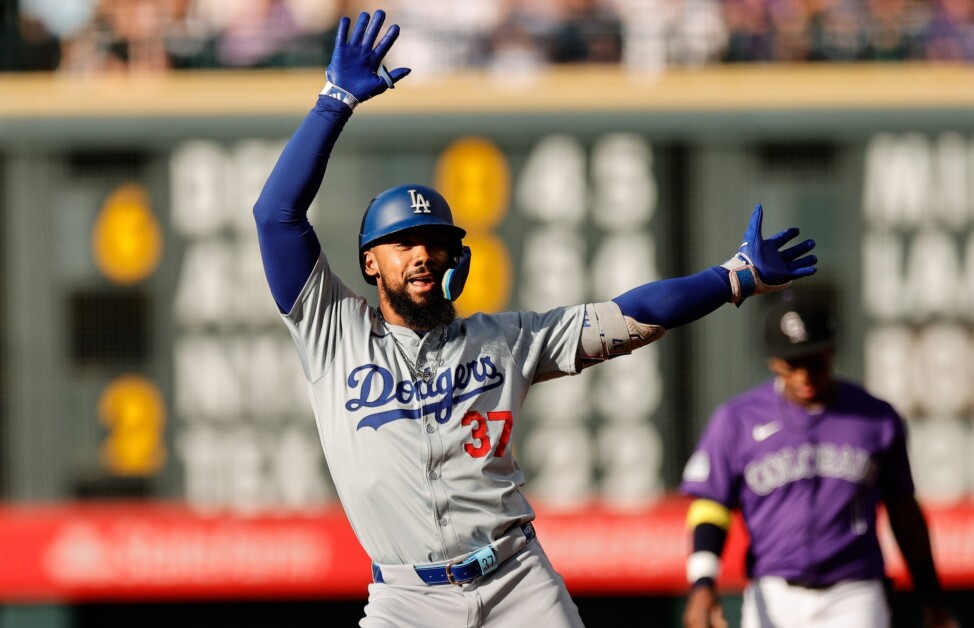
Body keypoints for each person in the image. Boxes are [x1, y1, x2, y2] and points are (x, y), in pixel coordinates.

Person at [252, 9, 818, 627]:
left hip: (516, 581)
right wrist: (334, 103)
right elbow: (276, 215)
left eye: (434, 241)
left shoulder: (505, 340)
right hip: (406, 600)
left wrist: (731, 278)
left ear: (454, 257)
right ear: (369, 262)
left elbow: (631, 314)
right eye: (403, 242)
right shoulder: (333, 332)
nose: (420, 253)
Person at [680, 293, 958, 628]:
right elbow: (711, 506)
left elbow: (904, 513)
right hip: (773, 592)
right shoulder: (737, 420)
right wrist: (702, 585)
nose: (804, 375)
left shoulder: (875, 417)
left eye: (815, 361)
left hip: (854, 594)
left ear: (832, 352)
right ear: (773, 362)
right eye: (792, 364)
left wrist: (932, 599)